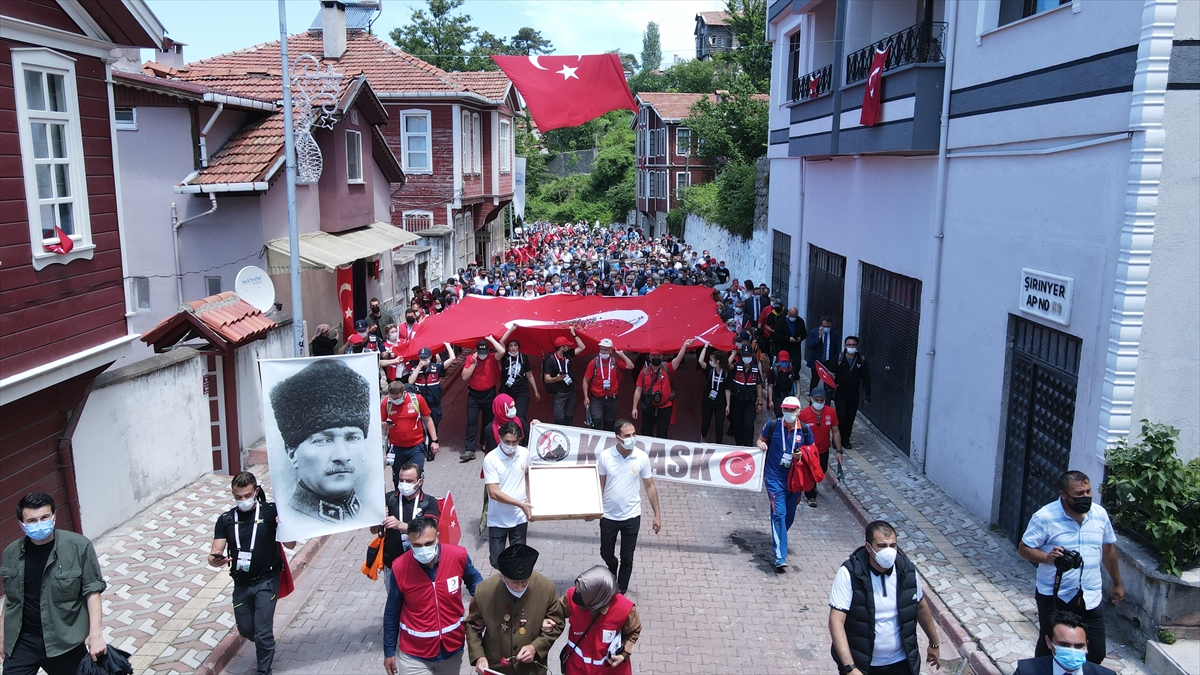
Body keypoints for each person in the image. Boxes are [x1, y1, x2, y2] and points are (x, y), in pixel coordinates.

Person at [1018, 471, 1123, 665]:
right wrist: (1048, 557)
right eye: (1079, 494)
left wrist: (1117, 583)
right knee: (1050, 647)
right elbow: (1024, 548)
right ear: (1063, 494)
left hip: (1090, 596)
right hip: (1054, 596)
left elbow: (1108, 550)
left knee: (1096, 651)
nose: (1085, 497)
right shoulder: (1044, 517)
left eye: (1088, 492)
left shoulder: (1099, 515)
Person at [1, 492, 107, 675]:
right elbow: (12, 599)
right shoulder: (11, 553)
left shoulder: (78, 547)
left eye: (44, 517)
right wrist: (2, 635)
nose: (39, 524)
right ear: (21, 524)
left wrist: (95, 635)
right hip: (23, 641)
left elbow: (92, 591)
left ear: (54, 516)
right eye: (32, 521)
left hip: (64, 640)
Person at [208, 472, 296, 675]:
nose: (243, 500)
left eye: (247, 495)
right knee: (246, 628)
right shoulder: (226, 519)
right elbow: (213, 556)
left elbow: (291, 544)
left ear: (256, 491)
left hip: (267, 580)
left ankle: (263, 670)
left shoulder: (271, 512)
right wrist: (216, 558)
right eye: (238, 497)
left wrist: (284, 525)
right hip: (241, 583)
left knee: (263, 630)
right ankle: (266, 645)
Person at [828, 520, 942, 675]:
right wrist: (850, 668)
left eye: (892, 545)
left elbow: (920, 606)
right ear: (868, 547)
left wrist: (934, 643)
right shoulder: (850, 573)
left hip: (902, 663)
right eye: (882, 546)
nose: (888, 551)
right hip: (864, 665)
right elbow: (836, 621)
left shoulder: (907, 570)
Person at [269, 359, 372, 524]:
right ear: (292, 453)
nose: (342, 455)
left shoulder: (371, 510)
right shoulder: (291, 520)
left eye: (352, 438)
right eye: (323, 440)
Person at [384, 516, 483, 675]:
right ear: (409, 542)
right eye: (417, 545)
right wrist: (389, 651)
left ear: (437, 537)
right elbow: (392, 611)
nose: (424, 549)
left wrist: (481, 609)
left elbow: (475, 582)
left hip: (452, 650)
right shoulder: (400, 567)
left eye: (428, 543)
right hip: (414, 655)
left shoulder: (458, 556)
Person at [465, 544, 565, 675]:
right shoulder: (484, 591)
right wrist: (479, 656)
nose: (519, 588)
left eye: (524, 582)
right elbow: (472, 626)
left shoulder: (546, 587)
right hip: (496, 667)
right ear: (502, 577)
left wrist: (536, 647)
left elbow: (557, 623)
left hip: (531, 670)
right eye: (514, 583)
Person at [592, 419, 663, 595]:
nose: (632, 438)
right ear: (618, 438)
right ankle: (612, 565)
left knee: (627, 558)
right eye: (627, 435)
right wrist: (593, 508)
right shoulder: (605, 456)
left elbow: (650, 486)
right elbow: (599, 485)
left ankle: (620, 591)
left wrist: (657, 515)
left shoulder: (641, 457)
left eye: (633, 434)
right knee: (606, 553)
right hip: (608, 515)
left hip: (632, 516)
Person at [756, 396, 815, 573]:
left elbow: (812, 449)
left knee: (788, 516)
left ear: (798, 411)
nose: (789, 413)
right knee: (779, 514)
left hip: (794, 479)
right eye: (786, 410)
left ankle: (780, 536)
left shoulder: (804, 430)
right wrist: (761, 445)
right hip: (774, 477)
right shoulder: (772, 425)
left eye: (792, 410)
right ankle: (780, 556)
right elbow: (760, 439)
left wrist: (802, 455)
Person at [560, 566, 642, 675]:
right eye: (577, 589)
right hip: (577, 669)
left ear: (596, 596)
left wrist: (624, 654)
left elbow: (633, 632)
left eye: (581, 592)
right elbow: (554, 612)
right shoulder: (570, 597)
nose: (575, 594)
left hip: (610, 671)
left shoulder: (625, 609)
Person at [375, 462, 441, 578]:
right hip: (393, 565)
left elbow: (428, 531)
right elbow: (373, 530)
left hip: (420, 564)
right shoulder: (389, 498)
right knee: (394, 596)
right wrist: (378, 520)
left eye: (409, 481)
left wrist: (399, 525)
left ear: (419, 482)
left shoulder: (429, 502)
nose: (404, 484)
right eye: (401, 480)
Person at [483, 422, 533, 568]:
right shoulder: (491, 459)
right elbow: (493, 493)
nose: (511, 445)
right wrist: (520, 504)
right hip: (498, 519)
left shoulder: (524, 453)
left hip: (519, 517)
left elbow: (528, 475)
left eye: (514, 442)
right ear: (500, 438)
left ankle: (514, 587)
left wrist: (529, 498)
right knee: (496, 561)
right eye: (507, 442)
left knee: (518, 559)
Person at [1014, 612, 1116, 675]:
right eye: (1064, 645)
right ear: (1049, 642)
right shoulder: (1026, 671)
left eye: (1078, 646)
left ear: (1086, 645)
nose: (1072, 650)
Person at [630, 340, 690, 438]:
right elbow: (638, 390)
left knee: (662, 433)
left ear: (661, 357)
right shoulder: (644, 372)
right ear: (649, 357)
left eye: (658, 356)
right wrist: (634, 408)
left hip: (665, 407)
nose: (656, 358)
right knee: (646, 432)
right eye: (653, 356)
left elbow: (678, 359)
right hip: (648, 407)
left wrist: (684, 345)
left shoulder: (667, 369)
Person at [382, 381, 439, 484]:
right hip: (396, 448)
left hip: (416, 446)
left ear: (404, 393)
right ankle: (399, 498)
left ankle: (417, 499)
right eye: (392, 398)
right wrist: (385, 425)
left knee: (416, 476)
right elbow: (380, 425)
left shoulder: (417, 400)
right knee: (398, 478)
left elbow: (428, 419)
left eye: (397, 398)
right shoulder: (386, 403)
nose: (395, 400)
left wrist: (434, 440)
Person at [409, 343, 456, 462]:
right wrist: (419, 367)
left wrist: (447, 345)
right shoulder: (415, 369)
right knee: (420, 426)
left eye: (425, 358)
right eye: (421, 358)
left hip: (434, 403)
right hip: (420, 404)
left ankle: (431, 447)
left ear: (430, 357)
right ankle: (422, 447)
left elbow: (452, 359)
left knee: (433, 425)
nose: (423, 360)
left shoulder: (436, 367)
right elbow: (410, 381)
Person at [797, 386, 841, 508]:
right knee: (810, 472)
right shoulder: (803, 414)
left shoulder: (831, 413)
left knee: (821, 470)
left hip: (823, 450)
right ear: (811, 399)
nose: (819, 403)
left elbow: (835, 431)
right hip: (809, 450)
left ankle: (812, 486)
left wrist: (839, 451)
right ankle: (811, 496)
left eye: (822, 400)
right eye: (817, 400)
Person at [461, 338, 502, 462]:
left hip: (489, 393)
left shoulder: (491, 357)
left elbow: (502, 351)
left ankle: (485, 442)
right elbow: (464, 377)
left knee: (488, 420)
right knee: (472, 420)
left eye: (484, 353)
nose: (482, 355)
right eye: (480, 353)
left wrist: (490, 339)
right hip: (474, 395)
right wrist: (473, 363)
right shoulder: (470, 359)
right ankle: (469, 449)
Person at [582, 338, 635, 432]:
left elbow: (630, 366)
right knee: (596, 423)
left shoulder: (614, 360)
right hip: (597, 398)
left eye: (605, 350)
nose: (603, 351)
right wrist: (586, 397)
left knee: (610, 424)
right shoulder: (594, 362)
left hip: (612, 398)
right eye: (601, 349)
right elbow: (585, 380)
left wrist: (621, 354)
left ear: (610, 350)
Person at [833, 336, 871, 449]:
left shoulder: (861, 360)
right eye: (849, 345)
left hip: (854, 393)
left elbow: (866, 377)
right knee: (841, 415)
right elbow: (830, 374)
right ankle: (836, 439)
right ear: (845, 346)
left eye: (853, 345)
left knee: (850, 417)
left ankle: (845, 439)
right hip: (840, 392)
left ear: (857, 347)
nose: (851, 347)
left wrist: (867, 394)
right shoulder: (838, 358)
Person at [543, 330, 586, 426]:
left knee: (569, 419)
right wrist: (556, 379)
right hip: (559, 394)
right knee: (559, 420)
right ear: (562, 347)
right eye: (567, 345)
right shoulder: (550, 360)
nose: (569, 347)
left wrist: (573, 333)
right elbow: (546, 378)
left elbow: (582, 347)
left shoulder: (568, 354)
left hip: (570, 392)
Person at [498, 329, 541, 423]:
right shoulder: (504, 356)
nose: (513, 348)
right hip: (507, 390)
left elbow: (530, 375)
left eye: (515, 345)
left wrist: (536, 391)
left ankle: (521, 436)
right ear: (507, 348)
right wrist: (511, 329)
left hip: (522, 390)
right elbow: (501, 341)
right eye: (511, 346)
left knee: (520, 416)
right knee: (507, 416)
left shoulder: (523, 358)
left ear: (518, 347)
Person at [728, 338, 765, 446]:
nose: (746, 358)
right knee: (738, 424)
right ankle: (739, 444)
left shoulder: (755, 369)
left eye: (748, 355)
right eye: (744, 355)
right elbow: (727, 364)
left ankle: (748, 445)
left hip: (750, 401)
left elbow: (759, 387)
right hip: (737, 401)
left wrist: (760, 403)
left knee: (749, 424)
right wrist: (735, 351)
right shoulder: (736, 367)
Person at [696, 343, 730, 445]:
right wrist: (705, 347)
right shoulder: (710, 370)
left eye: (712, 360)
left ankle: (719, 444)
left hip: (720, 403)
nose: (710, 362)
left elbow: (727, 389)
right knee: (706, 423)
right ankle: (703, 438)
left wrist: (728, 405)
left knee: (719, 425)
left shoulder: (726, 373)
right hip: (708, 401)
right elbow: (700, 361)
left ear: (718, 361)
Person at [806, 316, 841, 395]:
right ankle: (812, 402)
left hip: (828, 363)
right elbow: (810, 346)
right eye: (824, 326)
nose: (826, 328)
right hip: (817, 363)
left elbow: (835, 349)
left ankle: (827, 403)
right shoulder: (813, 332)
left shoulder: (834, 334)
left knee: (828, 385)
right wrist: (819, 337)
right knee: (814, 382)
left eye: (828, 326)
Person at [767, 350, 800, 418]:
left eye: (786, 361)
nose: (784, 363)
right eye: (782, 361)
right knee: (779, 415)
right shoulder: (774, 371)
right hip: (778, 396)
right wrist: (770, 401)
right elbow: (770, 386)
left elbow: (797, 381)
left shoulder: (793, 370)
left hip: (789, 396)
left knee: (790, 415)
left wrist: (798, 394)